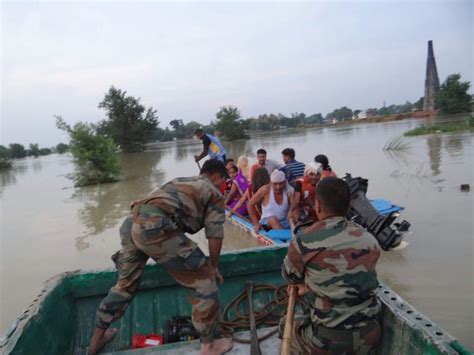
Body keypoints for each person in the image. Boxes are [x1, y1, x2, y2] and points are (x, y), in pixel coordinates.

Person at [87, 159, 233, 355]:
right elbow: (215, 233)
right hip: (156, 227)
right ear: (217, 176)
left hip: (133, 223)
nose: (223, 185)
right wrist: (213, 266)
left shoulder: (182, 180)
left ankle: (95, 342)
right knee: (205, 283)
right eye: (224, 181)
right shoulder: (213, 192)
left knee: (124, 286)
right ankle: (209, 346)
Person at [281, 177, 381, 354]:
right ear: (349, 206)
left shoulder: (304, 239)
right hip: (369, 337)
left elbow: (290, 277)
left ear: (317, 206)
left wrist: (307, 284)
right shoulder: (370, 240)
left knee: (285, 326)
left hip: (326, 343)